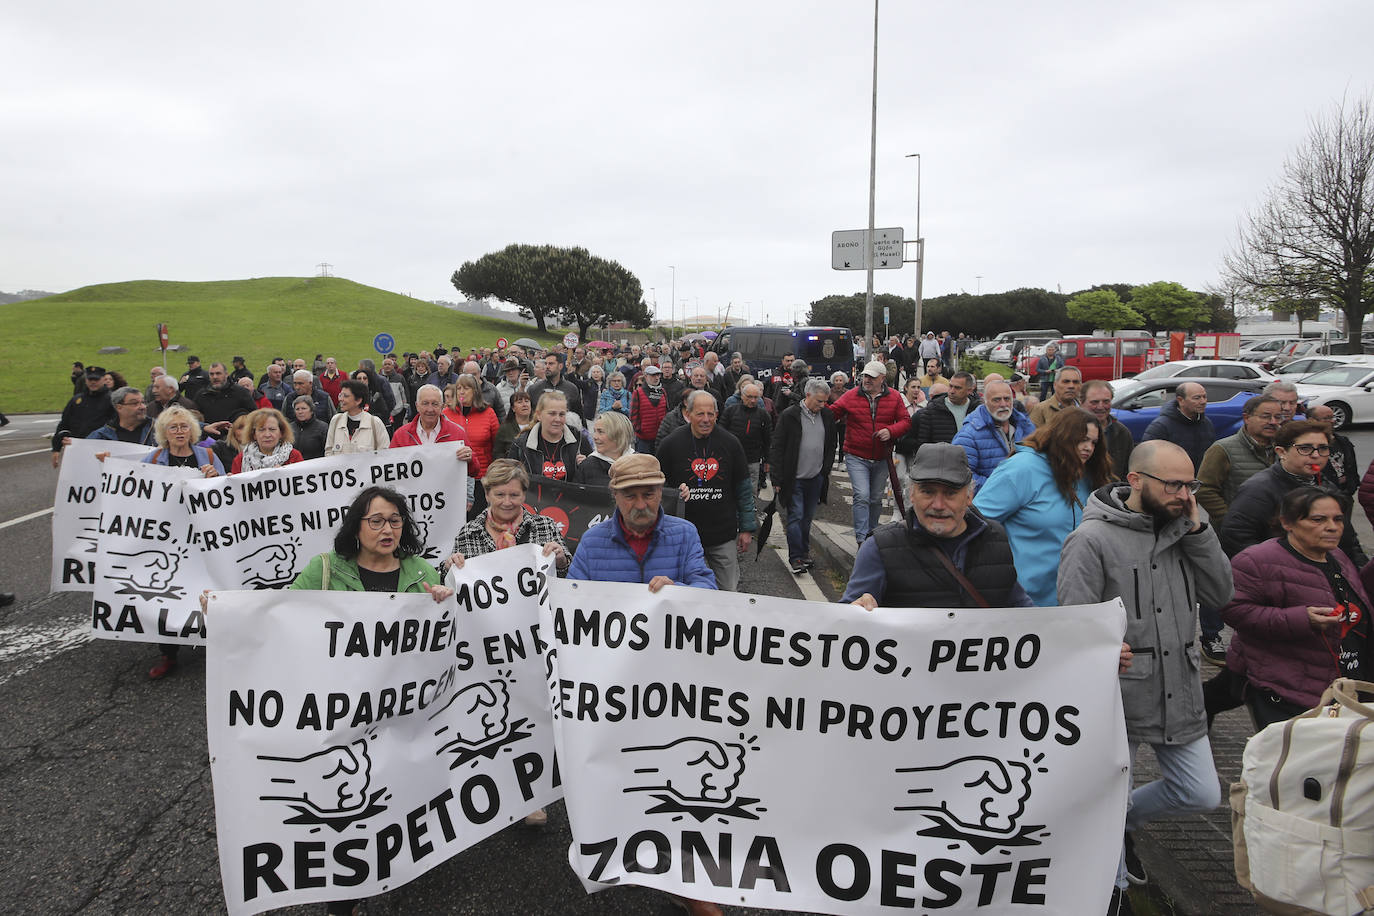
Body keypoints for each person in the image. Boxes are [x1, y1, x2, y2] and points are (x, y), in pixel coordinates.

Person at [1058, 439, 1232, 901]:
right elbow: (1074, 623)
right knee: (1106, 802)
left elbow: (1221, 594)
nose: (1184, 495)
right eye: (1174, 484)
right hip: (1119, 696)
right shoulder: (1090, 539)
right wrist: (1101, 649)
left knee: (1201, 793)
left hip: (1181, 686)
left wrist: (1199, 533)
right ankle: (1112, 893)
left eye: (1190, 484)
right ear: (1136, 481)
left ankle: (1126, 820)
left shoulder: (1188, 527)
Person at [286, 486, 453, 915]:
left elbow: (447, 641)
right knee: (350, 804)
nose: (387, 529)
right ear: (356, 526)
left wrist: (443, 600)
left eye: (395, 520)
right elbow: (278, 613)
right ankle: (345, 893)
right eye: (376, 520)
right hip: (346, 715)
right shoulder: (324, 569)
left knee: (400, 795)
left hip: (404, 715)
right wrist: (227, 611)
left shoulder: (421, 571)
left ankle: (405, 860)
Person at [1222, 487, 1370, 726]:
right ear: (1287, 523)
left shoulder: (1338, 556)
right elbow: (1234, 610)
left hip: (1347, 685)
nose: (1332, 527)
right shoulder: (1256, 561)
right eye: (1318, 519)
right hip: (1291, 691)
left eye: (1338, 519)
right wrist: (1302, 619)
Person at [844, 442, 1033, 608]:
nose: (938, 505)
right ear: (911, 494)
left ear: (969, 496)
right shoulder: (879, 547)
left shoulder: (995, 539)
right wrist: (858, 608)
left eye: (950, 493)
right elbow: (843, 623)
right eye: (927, 492)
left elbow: (1020, 611)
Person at [974, 408, 1111, 606]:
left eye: (1093, 442)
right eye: (1082, 439)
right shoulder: (1022, 469)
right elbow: (977, 523)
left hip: (1076, 600)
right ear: (1062, 436)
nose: (1088, 447)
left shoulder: (1087, 474)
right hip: (1023, 602)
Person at [1194, 395, 1282, 664]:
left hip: (1271, 539)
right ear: (1247, 417)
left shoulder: (1282, 449)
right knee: (1218, 584)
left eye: (1277, 417)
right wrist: (1230, 518)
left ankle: (1256, 638)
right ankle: (1212, 635)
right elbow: (1204, 488)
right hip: (1229, 535)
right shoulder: (1224, 449)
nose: (1273, 422)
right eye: (1266, 416)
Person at [143, 406, 224, 680]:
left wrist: (215, 478)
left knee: (207, 592)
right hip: (167, 541)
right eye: (173, 427)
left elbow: (227, 495)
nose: (179, 432)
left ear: (193, 430)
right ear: (164, 433)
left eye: (184, 426)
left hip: (202, 539)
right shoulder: (153, 459)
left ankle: (214, 645)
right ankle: (169, 653)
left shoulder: (209, 455)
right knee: (167, 594)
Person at [1220, 419, 1366, 566]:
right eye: (1305, 448)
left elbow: (1348, 539)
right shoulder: (1259, 489)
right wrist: (1278, 570)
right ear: (1281, 452)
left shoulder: (1326, 486)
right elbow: (1236, 537)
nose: (1316, 455)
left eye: (1322, 448)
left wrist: (1358, 571)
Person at [657, 389, 756, 591]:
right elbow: (657, 487)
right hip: (684, 537)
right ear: (689, 413)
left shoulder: (731, 443)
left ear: (717, 415)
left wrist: (747, 528)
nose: (706, 419)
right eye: (700, 414)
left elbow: (744, 490)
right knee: (686, 593)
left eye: (711, 414)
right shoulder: (671, 444)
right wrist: (674, 492)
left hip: (722, 535)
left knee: (728, 591)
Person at [826, 360, 912, 545]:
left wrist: (891, 431)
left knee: (874, 499)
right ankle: (861, 539)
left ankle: (872, 535)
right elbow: (832, 413)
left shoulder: (895, 397)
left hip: (882, 457)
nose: (867, 380)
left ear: (882, 379)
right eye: (865, 376)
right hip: (856, 455)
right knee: (862, 496)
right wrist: (815, 405)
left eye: (872, 377)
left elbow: (905, 421)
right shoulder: (851, 395)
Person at [771, 378, 837, 574]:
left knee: (807, 518)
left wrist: (825, 469)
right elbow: (778, 446)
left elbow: (831, 444)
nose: (822, 405)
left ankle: (804, 552)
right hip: (794, 478)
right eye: (819, 401)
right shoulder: (790, 415)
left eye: (825, 401)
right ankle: (796, 557)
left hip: (816, 477)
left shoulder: (826, 415)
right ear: (808, 395)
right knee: (796, 516)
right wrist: (776, 478)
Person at [951, 379, 1034, 489]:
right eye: (996, 400)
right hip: (988, 503)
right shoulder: (968, 435)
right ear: (985, 402)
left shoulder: (1027, 427)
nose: (1003, 404)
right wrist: (1000, 488)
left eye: (1007, 399)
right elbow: (961, 476)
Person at [508, 390, 589, 481]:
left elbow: (592, 480)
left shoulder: (580, 440)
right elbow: (510, 480)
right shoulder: (521, 444)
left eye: (562, 414)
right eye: (552, 414)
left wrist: (586, 466)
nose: (557, 419)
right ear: (539, 415)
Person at [1142, 382, 1215, 471]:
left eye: (1204, 397)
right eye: (1197, 398)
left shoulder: (1206, 423)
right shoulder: (1161, 426)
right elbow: (1147, 459)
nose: (1203, 402)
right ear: (1181, 400)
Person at [52, 365, 115, 467]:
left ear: (103, 379)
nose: (93, 382)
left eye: (96, 379)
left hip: (102, 450)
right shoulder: (76, 400)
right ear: (86, 380)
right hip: (77, 450)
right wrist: (56, 448)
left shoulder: (112, 400)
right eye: (90, 379)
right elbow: (64, 424)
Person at [719, 381, 772, 492]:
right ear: (742, 396)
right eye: (749, 397)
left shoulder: (764, 415)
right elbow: (720, 434)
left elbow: (768, 440)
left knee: (750, 493)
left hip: (753, 460)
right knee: (729, 490)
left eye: (756, 397)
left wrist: (768, 460)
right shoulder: (730, 411)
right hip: (731, 459)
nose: (753, 400)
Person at [447, 375, 500, 486]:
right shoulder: (446, 414)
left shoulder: (488, 413)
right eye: (459, 388)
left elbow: (498, 447)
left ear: (475, 391)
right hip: (453, 477)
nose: (461, 392)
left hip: (482, 476)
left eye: (466, 388)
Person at [913, 370, 980, 454]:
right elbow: (923, 445)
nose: (952, 391)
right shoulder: (932, 411)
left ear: (969, 391)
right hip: (940, 463)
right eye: (950, 386)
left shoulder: (978, 411)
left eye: (957, 388)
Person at [324, 379, 390, 455]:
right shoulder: (336, 421)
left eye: (346, 396)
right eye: (340, 395)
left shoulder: (375, 423)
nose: (340, 399)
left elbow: (385, 454)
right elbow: (329, 451)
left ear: (358, 400)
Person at [194, 362, 257, 439]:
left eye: (218, 373)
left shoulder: (241, 392)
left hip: (235, 440)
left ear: (226, 374)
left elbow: (254, 415)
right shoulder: (201, 395)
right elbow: (194, 419)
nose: (215, 377)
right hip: (209, 442)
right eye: (211, 374)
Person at [1306, 404, 1358, 496]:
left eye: (1333, 417)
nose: (1332, 421)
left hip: (1345, 494)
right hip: (1321, 496)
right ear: (1311, 421)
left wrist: (1353, 485)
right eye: (1327, 418)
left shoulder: (1343, 441)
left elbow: (1352, 467)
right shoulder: (1305, 446)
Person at [229, 409, 303, 473]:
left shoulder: (294, 456)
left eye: (272, 429)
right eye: (261, 430)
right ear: (254, 434)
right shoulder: (241, 459)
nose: (267, 435)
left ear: (281, 433)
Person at [574, 410, 634, 487]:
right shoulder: (587, 466)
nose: (595, 437)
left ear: (617, 434)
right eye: (594, 431)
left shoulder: (640, 463)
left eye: (600, 432)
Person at [88, 386, 155, 446]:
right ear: (119, 407)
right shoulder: (101, 436)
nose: (142, 407)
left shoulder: (158, 429)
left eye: (143, 402)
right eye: (135, 403)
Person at [493, 389, 533, 461]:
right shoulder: (505, 428)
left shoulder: (537, 426)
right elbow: (498, 453)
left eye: (527, 401)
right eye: (520, 402)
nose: (524, 405)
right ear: (513, 408)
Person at [288, 396, 329, 461]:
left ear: (311, 410)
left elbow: (328, 451)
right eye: (297, 409)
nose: (300, 412)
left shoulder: (323, 428)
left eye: (303, 408)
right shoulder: (289, 428)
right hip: (293, 468)